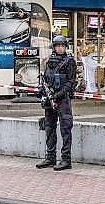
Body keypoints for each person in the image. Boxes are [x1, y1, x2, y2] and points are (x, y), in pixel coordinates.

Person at [36, 35, 77, 171]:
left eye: (62, 46)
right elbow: (45, 78)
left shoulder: (69, 61)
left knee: (65, 128)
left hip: (63, 100)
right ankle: (50, 156)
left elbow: (71, 82)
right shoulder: (50, 61)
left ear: (65, 47)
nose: (59, 48)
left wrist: (58, 94)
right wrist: (42, 90)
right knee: (49, 127)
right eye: (57, 46)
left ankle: (66, 159)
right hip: (50, 99)